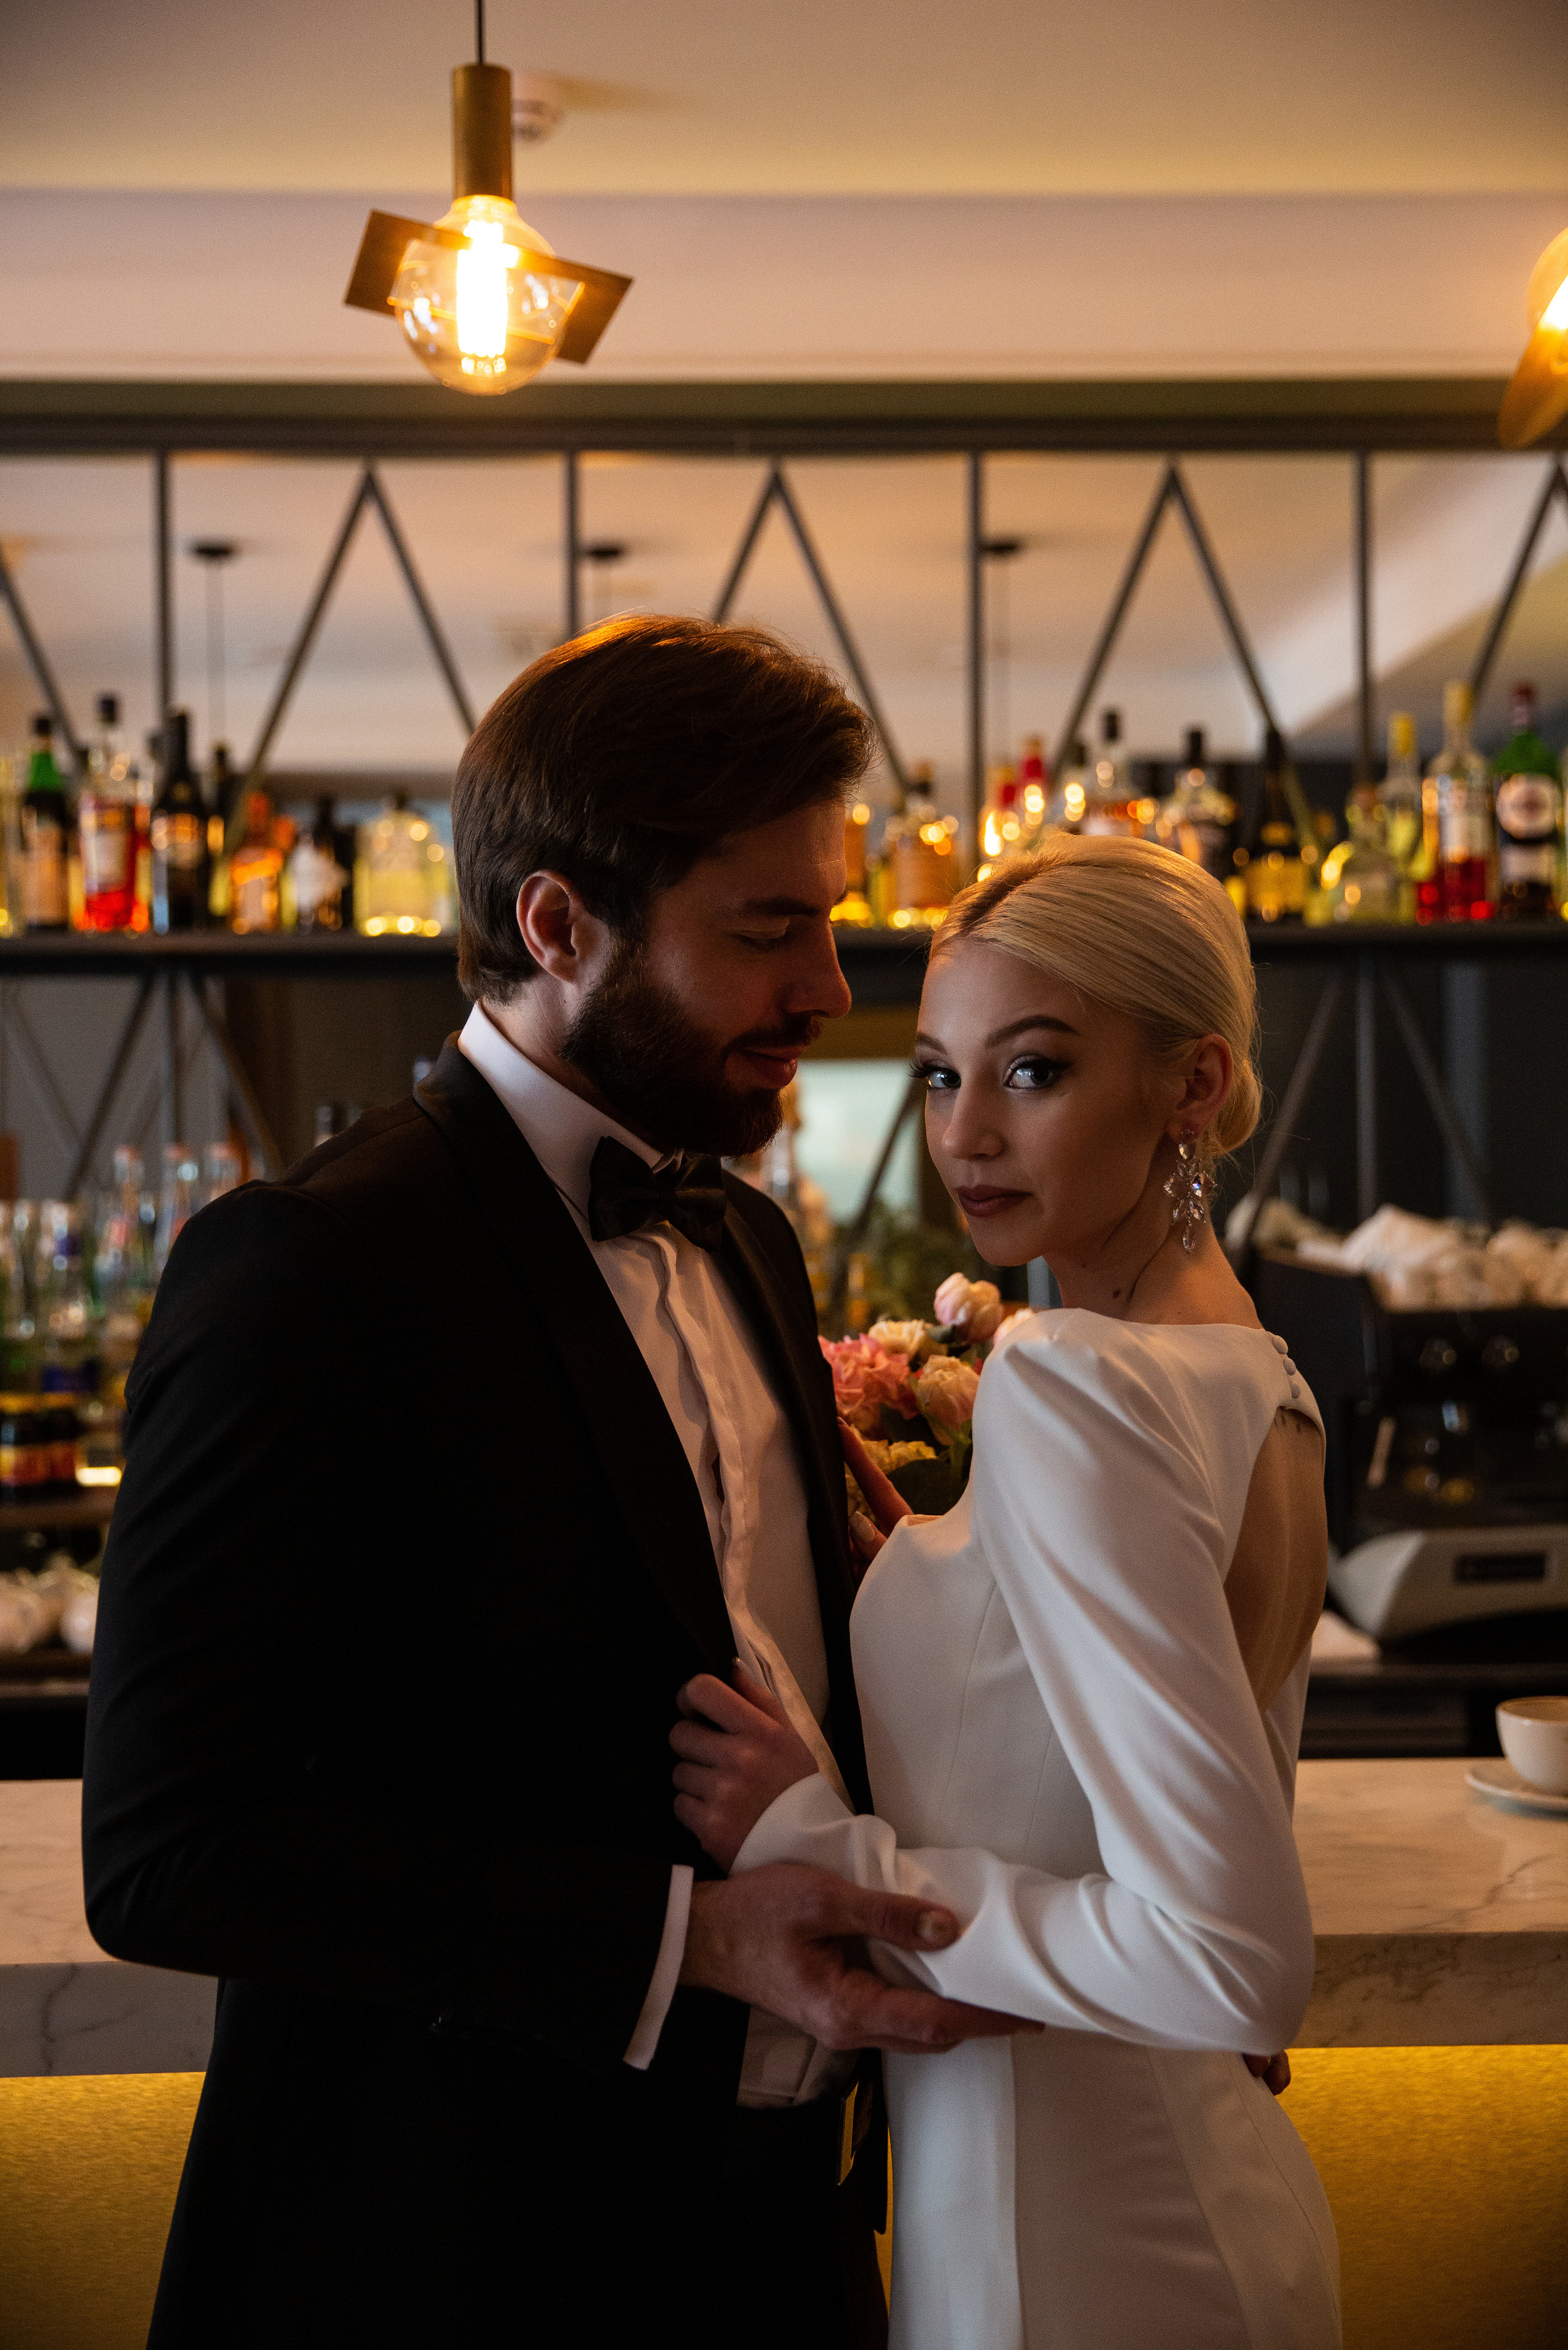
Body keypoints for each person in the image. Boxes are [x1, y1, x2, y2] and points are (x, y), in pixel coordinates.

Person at [80, 616, 1027, 2350]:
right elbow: (166, 1848)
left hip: (786, 2244)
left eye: (825, 912)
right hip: (447, 2251)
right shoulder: (307, 1265)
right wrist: (694, 1938)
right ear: (557, 923)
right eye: (769, 927)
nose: (828, 980)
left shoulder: (744, 1230)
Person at [671, 833, 1343, 2350]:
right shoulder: (1265, 1377)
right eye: (934, 1072)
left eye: (1029, 1070)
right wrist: (944, 1568)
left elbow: (1230, 1959)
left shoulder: (1067, 1379)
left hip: (1072, 2248)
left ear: (1193, 1084)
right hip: (1175, 2202)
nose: (962, 1133)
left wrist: (816, 1845)